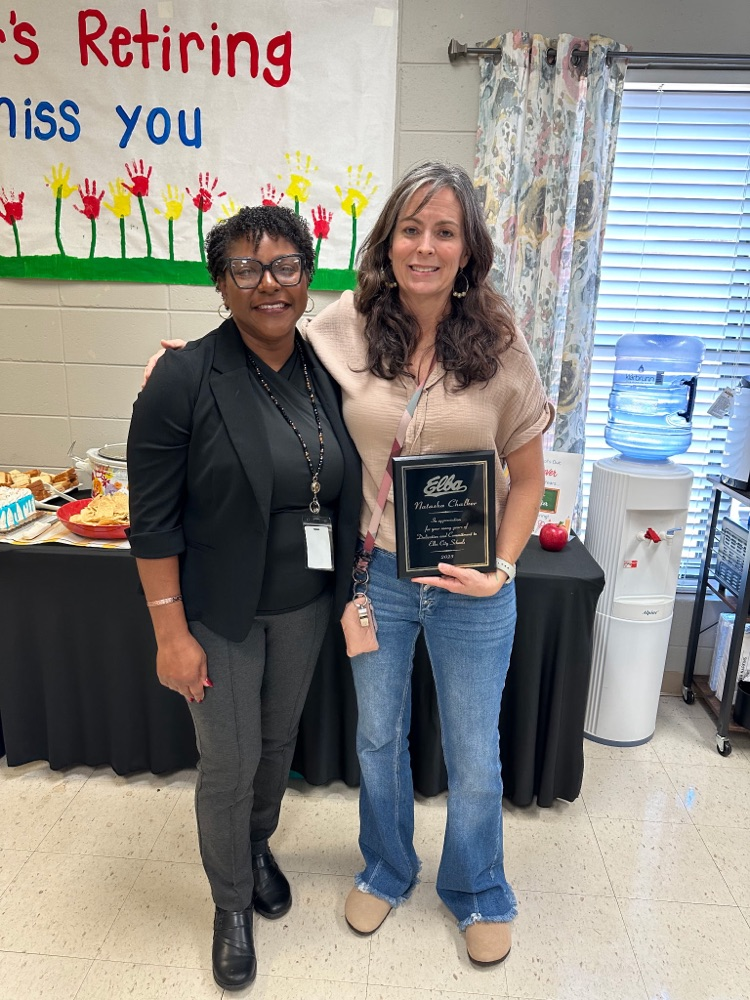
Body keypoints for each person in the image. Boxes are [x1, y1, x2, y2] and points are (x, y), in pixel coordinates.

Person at [144, 161, 550, 967]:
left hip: (472, 587)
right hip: (380, 581)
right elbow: (265, 331)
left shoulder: (503, 345)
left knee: (474, 753)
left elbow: (529, 477)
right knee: (377, 740)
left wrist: (501, 570)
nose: (425, 247)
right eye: (411, 229)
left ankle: (477, 888)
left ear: (468, 249)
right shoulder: (352, 325)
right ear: (387, 242)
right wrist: (189, 360)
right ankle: (387, 867)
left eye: (444, 232)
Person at [127, 204, 361, 991]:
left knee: (275, 742)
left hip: (305, 604)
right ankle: (230, 903)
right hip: (219, 614)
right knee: (228, 760)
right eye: (246, 268)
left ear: (307, 275)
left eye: (286, 266)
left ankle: (257, 845)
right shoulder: (184, 379)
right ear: (220, 284)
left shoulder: (328, 366)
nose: (269, 284)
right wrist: (171, 635)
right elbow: (152, 521)